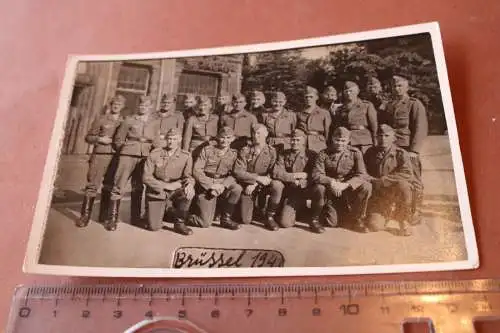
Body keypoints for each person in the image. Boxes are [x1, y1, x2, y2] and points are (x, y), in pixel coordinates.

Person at [106, 95, 160, 231]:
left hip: (144, 157)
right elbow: (118, 139)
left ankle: (135, 218)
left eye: (146, 106)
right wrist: (124, 151)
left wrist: (154, 156)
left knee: (138, 187)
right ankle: (112, 219)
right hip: (128, 155)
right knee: (119, 185)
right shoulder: (129, 120)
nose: (143, 107)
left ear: (151, 107)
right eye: (141, 105)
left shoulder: (154, 122)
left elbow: (156, 141)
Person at [384, 75, 428, 225]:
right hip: (393, 148)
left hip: (407, 148)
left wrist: (414, 150)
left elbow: (420, 128)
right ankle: (398, 209)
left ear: (407, 87)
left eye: (400, 86)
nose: (397, 89)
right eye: (394, 86)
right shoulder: (390, 105)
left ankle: (415, 211)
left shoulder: (414, 104)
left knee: (414, 179)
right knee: (395, 177)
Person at [77, 94, 125, 228]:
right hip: (100, 155)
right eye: (114, 104)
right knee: (92, 186)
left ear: (123, 107)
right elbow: (88, 137)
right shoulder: (101, 119)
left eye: (119, 105)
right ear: (111, 105)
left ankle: (104, 217)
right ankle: (85, 216)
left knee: (110, 186)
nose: (116, 106)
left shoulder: (124, 121)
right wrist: (99, 139)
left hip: (116, 157)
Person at [311, 127, 372, 232]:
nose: (340, 143)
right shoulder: (323, 153)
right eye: (337, 140)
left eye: (343, 141)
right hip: (331, 191)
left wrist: (346, 185)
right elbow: (316, 174)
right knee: (332, 223)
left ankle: (358, 219)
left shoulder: (355, 153)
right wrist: (331, 182)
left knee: (366, 186)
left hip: (347, 190)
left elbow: (362, 174)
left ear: (348, 141)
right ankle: (321, 212)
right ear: (332, 139)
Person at [143, 128, 195, 235]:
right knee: (154, 227)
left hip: (175, 188)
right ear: (166, 139)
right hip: (157, 190)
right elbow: (146, 177)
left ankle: (179, 223)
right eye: (169, 139)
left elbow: (188, 176)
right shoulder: (156, 153)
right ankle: (163, 212)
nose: (171, 142)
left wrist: (190, 184)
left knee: (188, 192)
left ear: (179, 140)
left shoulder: (186, 156)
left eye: (174, 139)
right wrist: (165, 186)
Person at [364, 124, 413, 236]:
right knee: (374, 226)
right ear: (376, 137)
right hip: (379, 193)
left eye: (387, 135)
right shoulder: (370, 152)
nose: (383, 139)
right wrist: (372, 180)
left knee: (404, 186)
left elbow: (407, 174)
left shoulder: (401, 153)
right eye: (380, 135)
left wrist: (385, 180)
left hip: (395, 192)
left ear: (393, 137)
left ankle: (403, 219)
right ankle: (386, 213)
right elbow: (363, 171)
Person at [272, 129, 324, 233]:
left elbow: (316, 173)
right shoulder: (283, 154)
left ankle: (314, 219)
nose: (294, 142)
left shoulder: (311, 155)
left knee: (320, 188)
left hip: (307, 189)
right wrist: (295, 176)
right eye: (292, 140)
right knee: (285, 223)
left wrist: (306, 178)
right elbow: (277, 173)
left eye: (297, 140)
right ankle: (298, 210)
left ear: (303, 141)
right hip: (293, 192)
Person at [189, 127, 242, 230]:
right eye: (222, 137)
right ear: (217, 137)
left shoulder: (234, 153)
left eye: (228, 138)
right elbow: (197, 170)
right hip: (206, 183)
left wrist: (223, 185)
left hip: (222, 182)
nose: (225, 140)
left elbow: (234, 174)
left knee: (237, 188)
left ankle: (226, 219)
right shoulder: (207, 150)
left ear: (233, 139)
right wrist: (210, 185)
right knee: (205, 223)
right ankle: (184, 216)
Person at [234, 124, 283, 231]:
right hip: (248, 185)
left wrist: (257, 182)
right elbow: (238, 172)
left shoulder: (272, 151)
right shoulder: (245, 150)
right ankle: (254, 209)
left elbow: (273, 172)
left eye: (259, 133)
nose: (256, 136)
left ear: (266, 134)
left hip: (264, 184)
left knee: (278, 185)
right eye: (254, 133)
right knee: (245, 220)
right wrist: (255, 180)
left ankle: (270, 216)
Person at [334, 81, 378, 154]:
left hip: (363, 140)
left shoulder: (366, 105)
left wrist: (375, 140)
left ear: (357, 92)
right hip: (347, 140)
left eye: (351, 91)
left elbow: (374, 125)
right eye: (346, 91)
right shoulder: (340, 109)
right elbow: (338, 126)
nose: (348, 93)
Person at [296, 86, 332, 153]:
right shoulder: (299, 113)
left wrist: (326, 144)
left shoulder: (324, 113)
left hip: (318, 143)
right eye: (306, 97)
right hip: (303, 143)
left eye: (311, 97)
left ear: (317, 97)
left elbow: (327, 132)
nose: (308, 99)